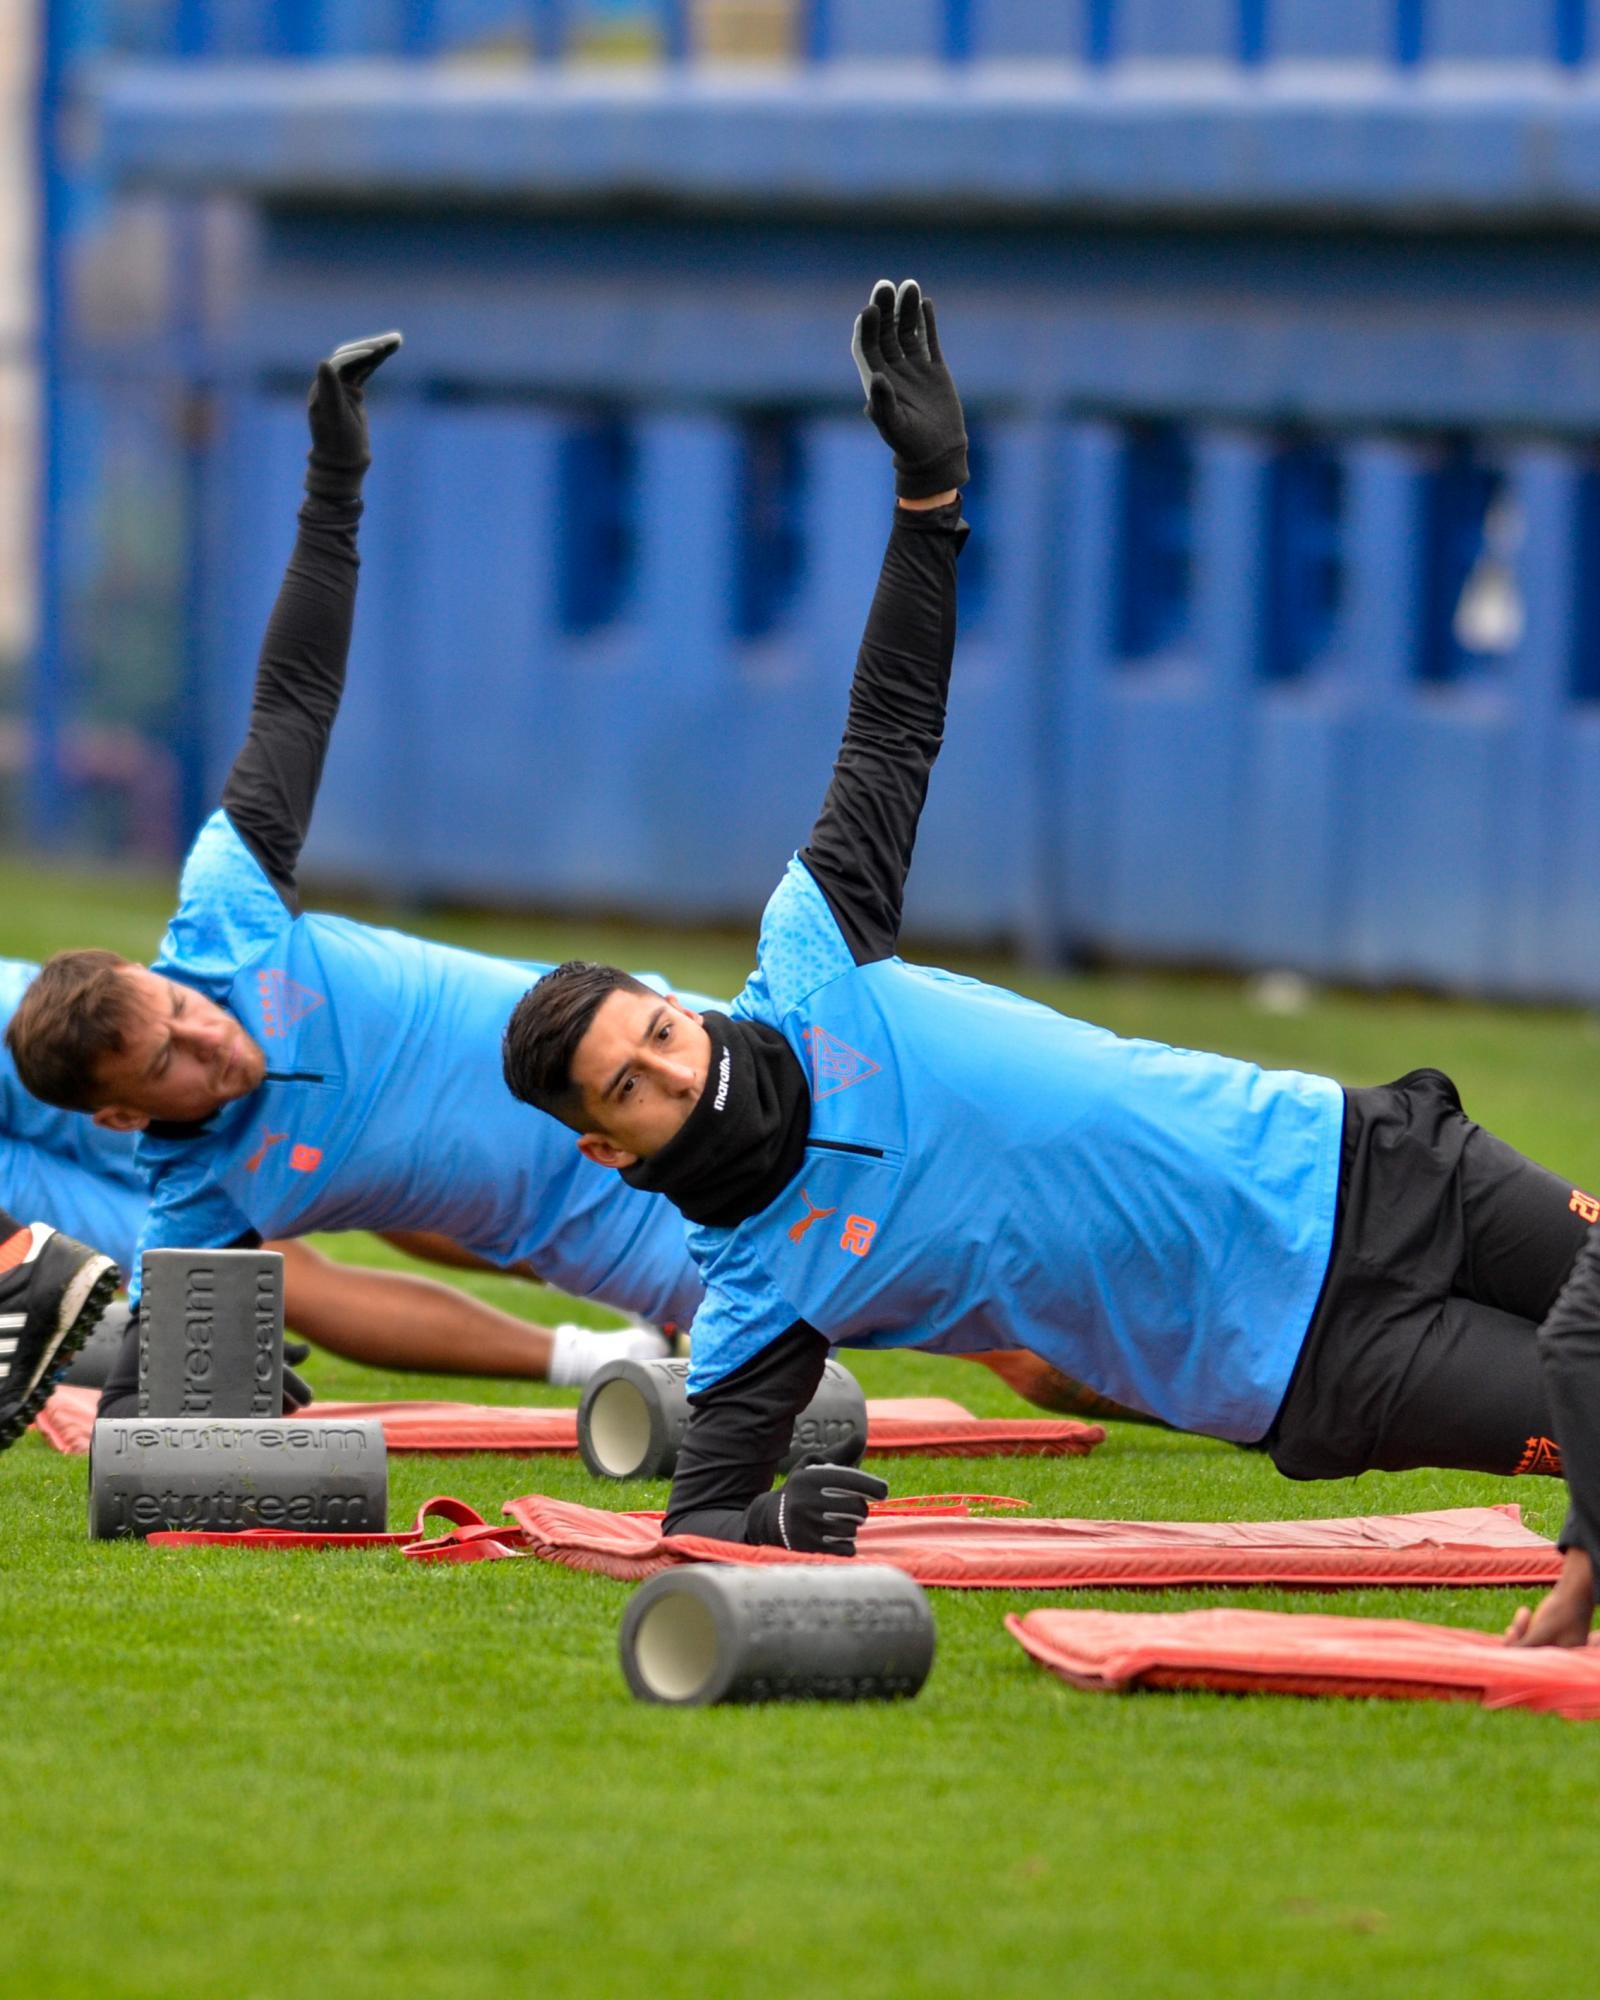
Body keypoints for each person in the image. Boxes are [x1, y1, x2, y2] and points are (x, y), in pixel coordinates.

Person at [503, 278, 1596, 1555]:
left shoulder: (813, 960)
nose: (669, 1065)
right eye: (629, 1085)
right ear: (607, 1150)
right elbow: (697, 1524)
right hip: (1314, 1358)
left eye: (657, 1029)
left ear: (670, 1000)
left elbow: (892, 728)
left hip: (1369, 1162)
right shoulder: (760, 1287)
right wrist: (778, 1514)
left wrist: (927, 504)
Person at [5, 332, 708, 1422]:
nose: (207, 1038)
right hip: (628, 1234)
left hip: (670, 1050)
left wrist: (333, 486)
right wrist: (177, 1390)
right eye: (168, 1061)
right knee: (1002, 1349)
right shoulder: (193, 1198)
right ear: (119, 1117)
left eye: (181, 1012)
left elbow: (291, 699)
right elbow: (159, 1404)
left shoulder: (227, 922)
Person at [0, 957, 673, 1414]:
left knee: (340, 1175)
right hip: (66, 1079)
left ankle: (621, 1306)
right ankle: (604, 1353)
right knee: (249, 1273)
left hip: (71, 1053)